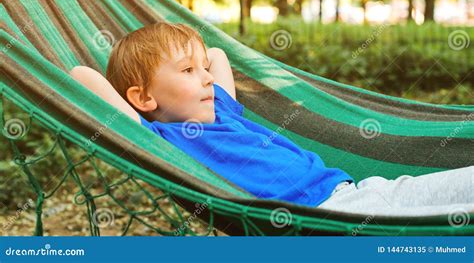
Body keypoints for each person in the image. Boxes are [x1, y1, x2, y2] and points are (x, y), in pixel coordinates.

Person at [70, 22, 474, 216]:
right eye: (188, 72)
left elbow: (217, 56)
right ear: (141, 98)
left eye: (201, 70)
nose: (207, 76)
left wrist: (192, 59)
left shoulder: (220, 110)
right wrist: (143, 90)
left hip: (359, 192)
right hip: (335, 214)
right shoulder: (161, 138)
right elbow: (82, 78)